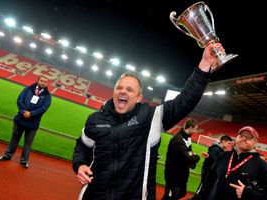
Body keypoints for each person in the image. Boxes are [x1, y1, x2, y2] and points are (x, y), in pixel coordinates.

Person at [72, 42, 225, 200]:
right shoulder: (95, 119)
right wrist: (80, 165)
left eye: (129, 89)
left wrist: (205, 65)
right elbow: (82, 146)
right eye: (119, 88)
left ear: (139, 98)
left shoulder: (152, 117)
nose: (123, 91)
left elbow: (185, 101)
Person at [197, 126, 267, 200]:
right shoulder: (223, 156)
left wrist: (248, 194)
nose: (244, 138)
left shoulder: (262, 166)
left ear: (255, 142)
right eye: (241, 136)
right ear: (236, 138)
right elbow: (209, 180)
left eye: (249, 137)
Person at [0, 75, 51, 168]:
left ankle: (24, 161)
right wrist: (23, 112)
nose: (43, 82)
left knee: (28, 143)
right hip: (20, 119)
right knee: (14, 139)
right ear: (37, 80)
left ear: (47, 84)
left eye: (45, 81)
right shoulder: (28, 89)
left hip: (33, 123)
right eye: (41, 80)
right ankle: (7, 155)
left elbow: (43, 108)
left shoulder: (47, 96)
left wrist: (31, 114)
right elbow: (20, 100)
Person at [161, 118, 200, 200]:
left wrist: (191, 157)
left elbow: (189, 153)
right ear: (190, 128)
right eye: (195, 129)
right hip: (174, 175)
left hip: (181, 173)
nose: (196, 132)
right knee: (170, 196)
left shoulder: (187, 138)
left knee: (181, 193)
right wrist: (197, 157)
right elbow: (189, 158)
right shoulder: (178, 140)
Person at [190, 135, 233, 200]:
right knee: (201, 191)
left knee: (205, 191)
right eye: (228, 143)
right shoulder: (216, 149)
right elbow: (214, 162)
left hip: (210, 176)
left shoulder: (220, 150)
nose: (229, 145)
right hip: (207, 175)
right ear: (223, 141)